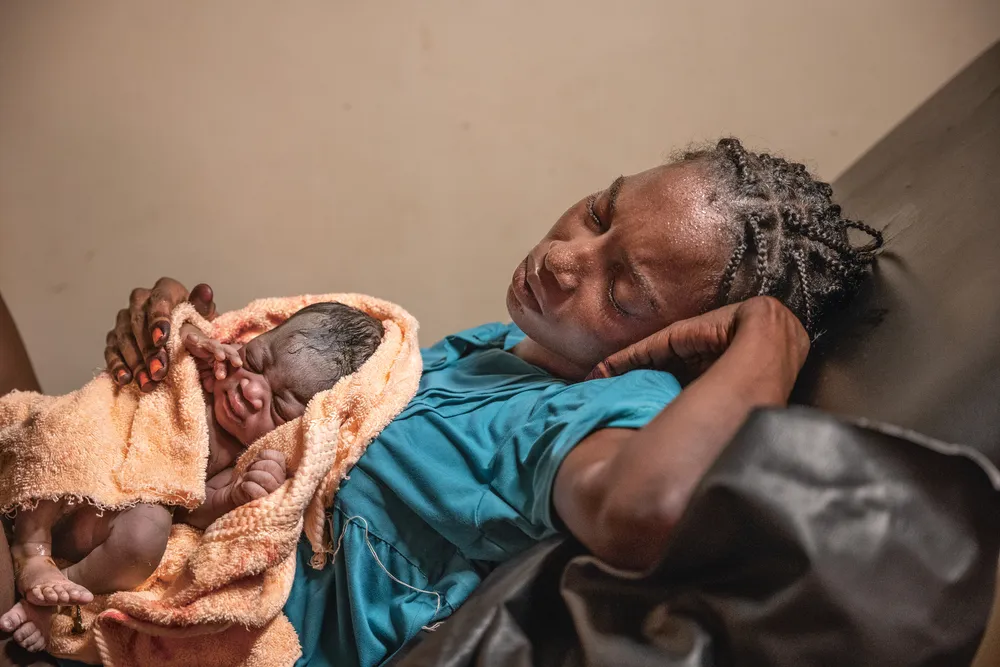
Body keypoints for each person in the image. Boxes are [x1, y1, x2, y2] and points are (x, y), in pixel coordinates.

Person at [28, 137, 883, 666]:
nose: (563, 255)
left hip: (192, 633)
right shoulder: (500, 350)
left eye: (623, 290)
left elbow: (646, 506)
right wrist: (189, 338)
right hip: (147, 545)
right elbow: (303, 426)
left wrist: (769, 338)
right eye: (598, 213)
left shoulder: (586, 414)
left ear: (690, 340)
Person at [0, 303, 384, 653]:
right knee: (69, 428)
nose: (251, 389)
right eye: (255, 359)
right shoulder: (205, 366)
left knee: (148, 532)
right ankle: (32, 551)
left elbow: (195, 510)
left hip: (105, 524)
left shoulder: (241, 457)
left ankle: (61, 589)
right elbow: (167, 338)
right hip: (72, 470)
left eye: (281, 405)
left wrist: (234, 496)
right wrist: (191, 341)